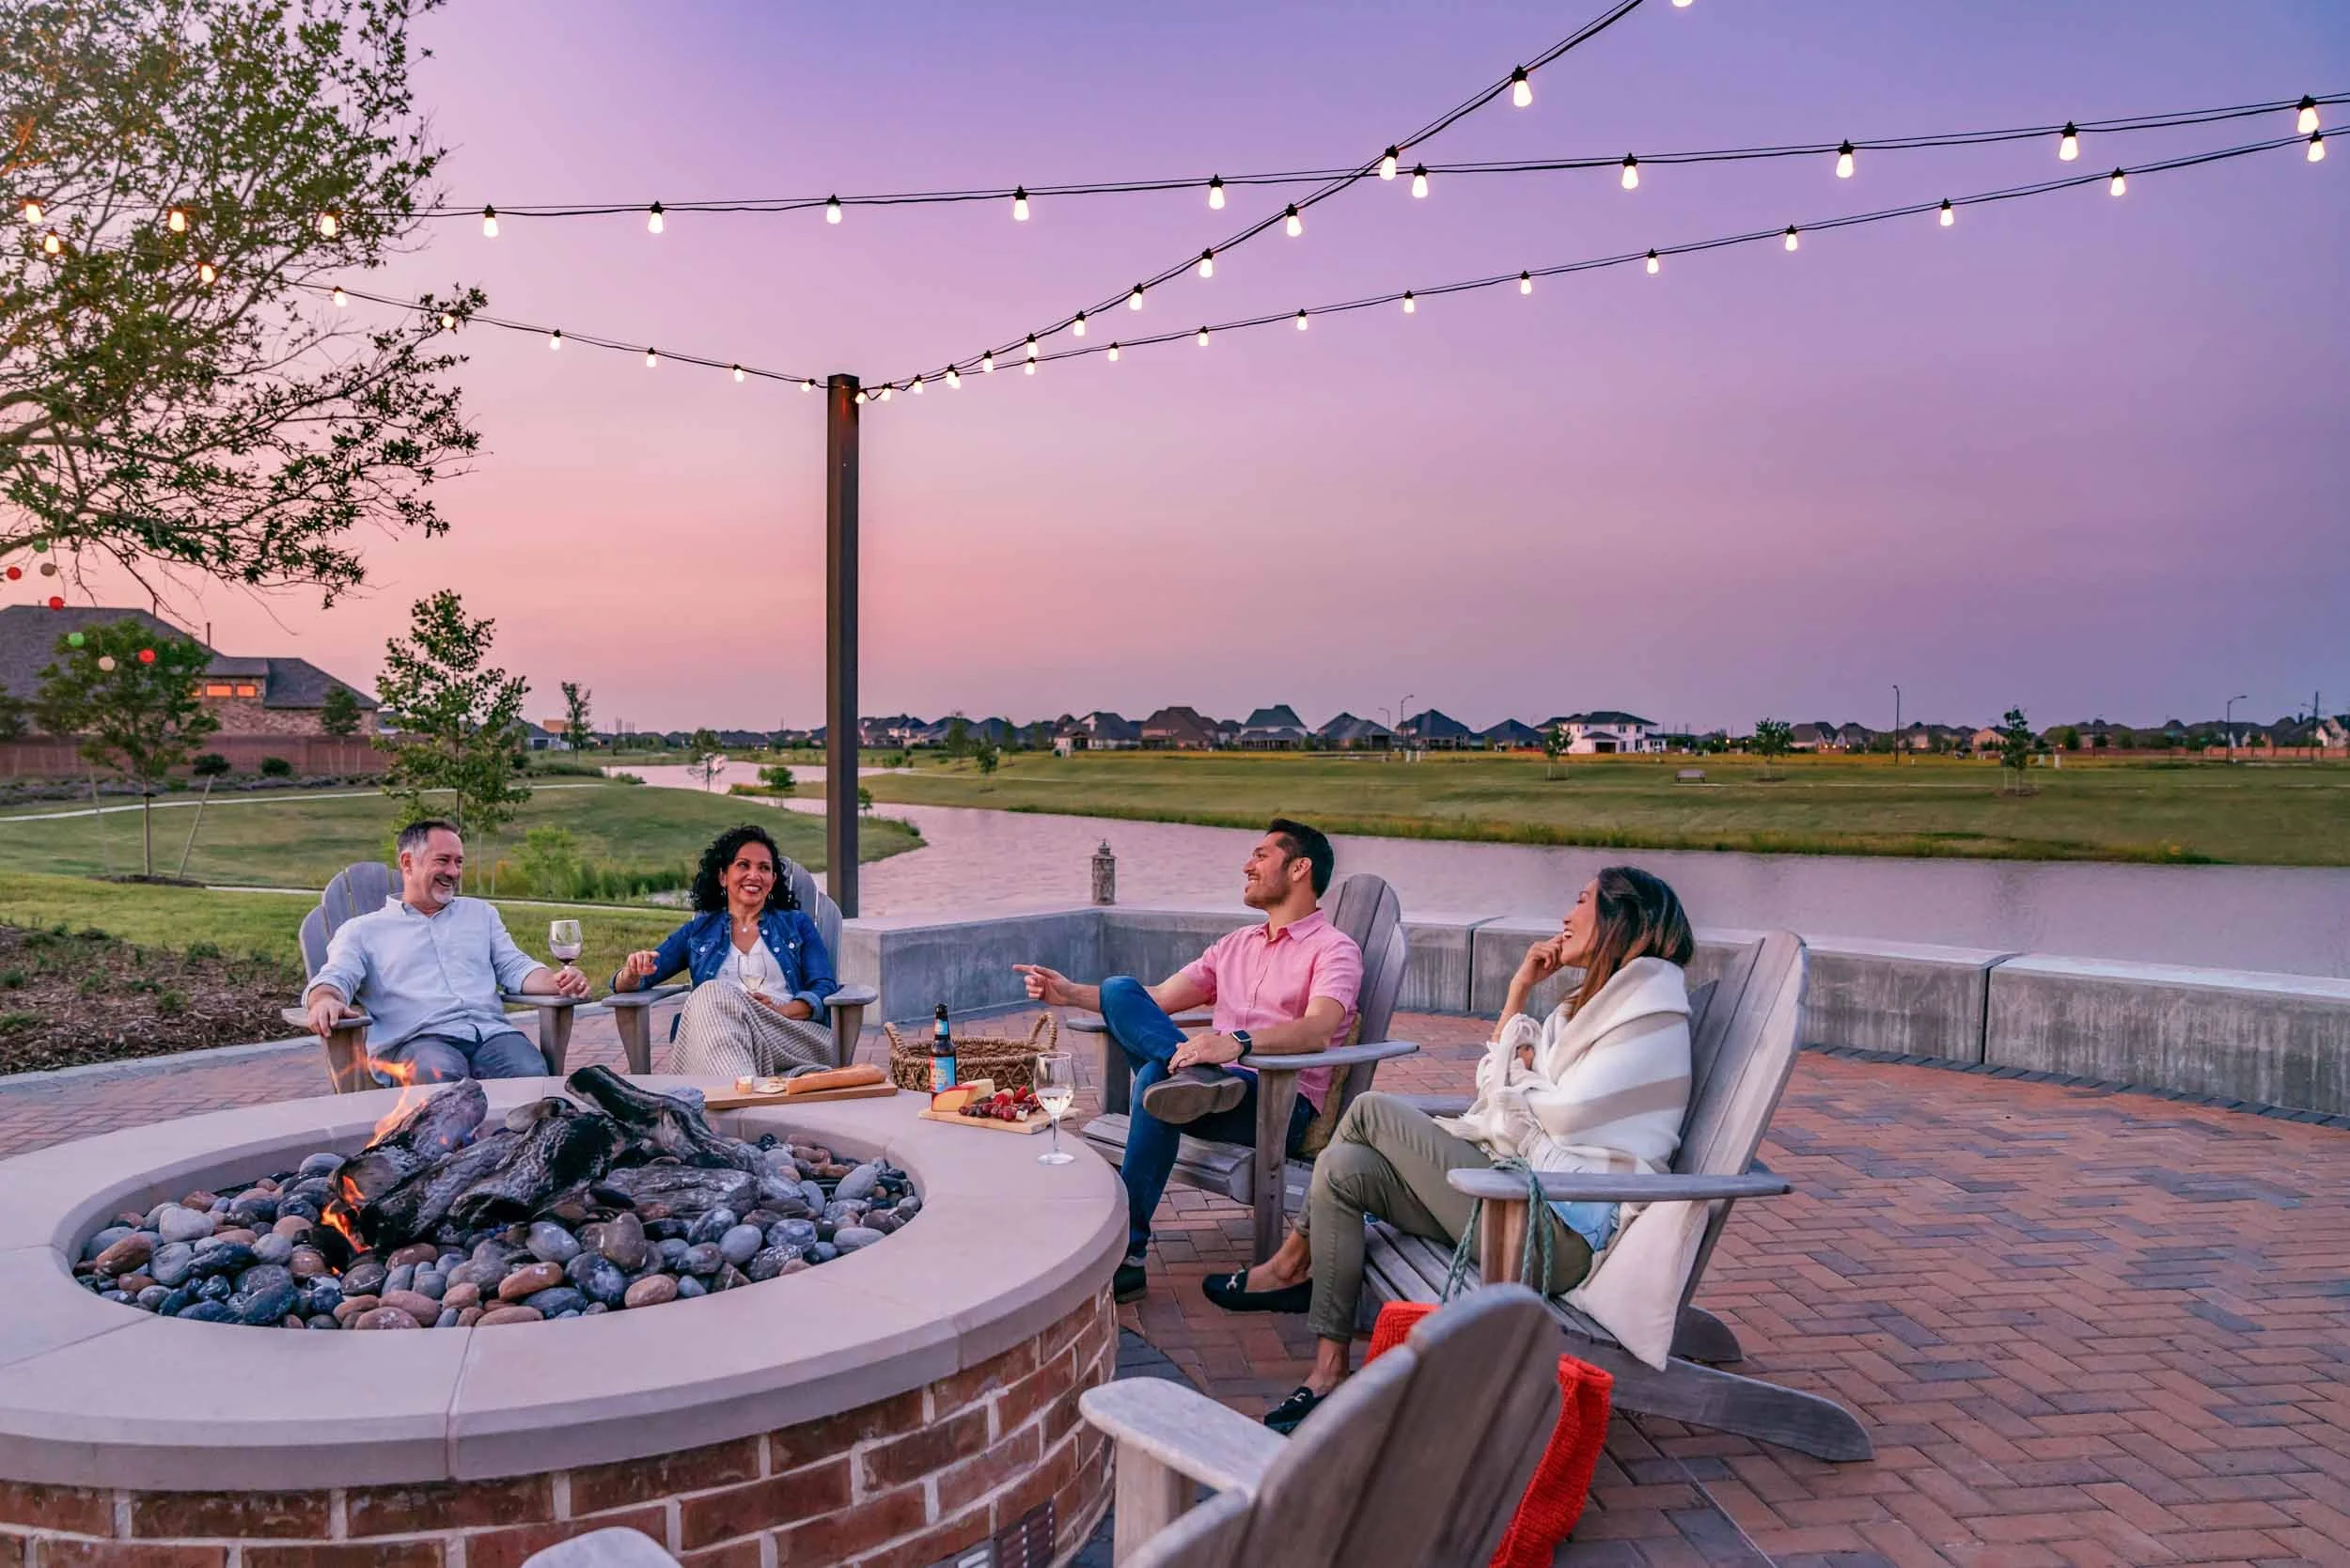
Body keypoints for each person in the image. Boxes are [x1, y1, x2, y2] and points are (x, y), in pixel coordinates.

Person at [1207, 866, 1696, 1433]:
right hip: (1515, 1198)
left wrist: (1518, 1080)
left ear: (1622, 918)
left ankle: (1292, 1261)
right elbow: (1508, 1091)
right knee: (1345, 1168)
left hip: (1553, 1237)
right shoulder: (1582, 1013)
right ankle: (1329, 1371)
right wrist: (1518, 994)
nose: (1567, 915)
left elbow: (1562, 1113)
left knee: (1368, 1110)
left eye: (1582, 900)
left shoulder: (1649, 1016)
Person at [1015, 819, 1362, 1305]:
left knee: (1159, 1079)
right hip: (1208, 1095)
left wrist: (1238, 1043)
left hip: (1276, 1105)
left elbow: (1318, 1028)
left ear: (1300, 867)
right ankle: (1192, 1080)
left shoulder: (1334, 949)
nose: (1248, 865)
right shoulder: (1235, 945)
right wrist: (1068, 992)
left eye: (1261, 856)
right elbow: (1153, 1000)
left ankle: (1129, 1255)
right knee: (1123, 995)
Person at [303, 819, 589, 1084]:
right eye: (443, 861)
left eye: (459, 862)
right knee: (439, 1078)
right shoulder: (362, 931)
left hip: (492, 1035)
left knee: (528, 1073)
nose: (453, 872)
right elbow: (336, 976)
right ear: (407, 862)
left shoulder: (480, 914)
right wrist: (324, 1000)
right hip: (420, 1041)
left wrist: (555, 982)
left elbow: (514, 966)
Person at [612, 824, 840, 1076]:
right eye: (744, 865)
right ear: (723, 876)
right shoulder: (698, 931)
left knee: (709, 996)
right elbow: (637, 979)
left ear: (773, 880)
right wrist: (632, 972)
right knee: (713, 999)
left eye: (764, 868)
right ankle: (745, 1090)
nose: (754, 875)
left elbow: (824, 986)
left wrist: (781, 1010)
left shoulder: (797, 924)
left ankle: (734, 1095)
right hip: (725, 1037)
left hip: (791, 1034)